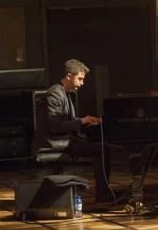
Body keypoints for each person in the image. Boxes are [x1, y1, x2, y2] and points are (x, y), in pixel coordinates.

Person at [32, 59, 114, 202]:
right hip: (52, 142)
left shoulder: (65, 93)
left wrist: (87, 121)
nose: (82, 83)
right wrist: (81, 121)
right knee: (101, 149)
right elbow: (55, 126)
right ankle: (103, 194)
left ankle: (104, 192)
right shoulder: (55, 94)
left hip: (63, 139)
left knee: (101, 145)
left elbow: (67, 123)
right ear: (69, 76)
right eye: (80, 79)